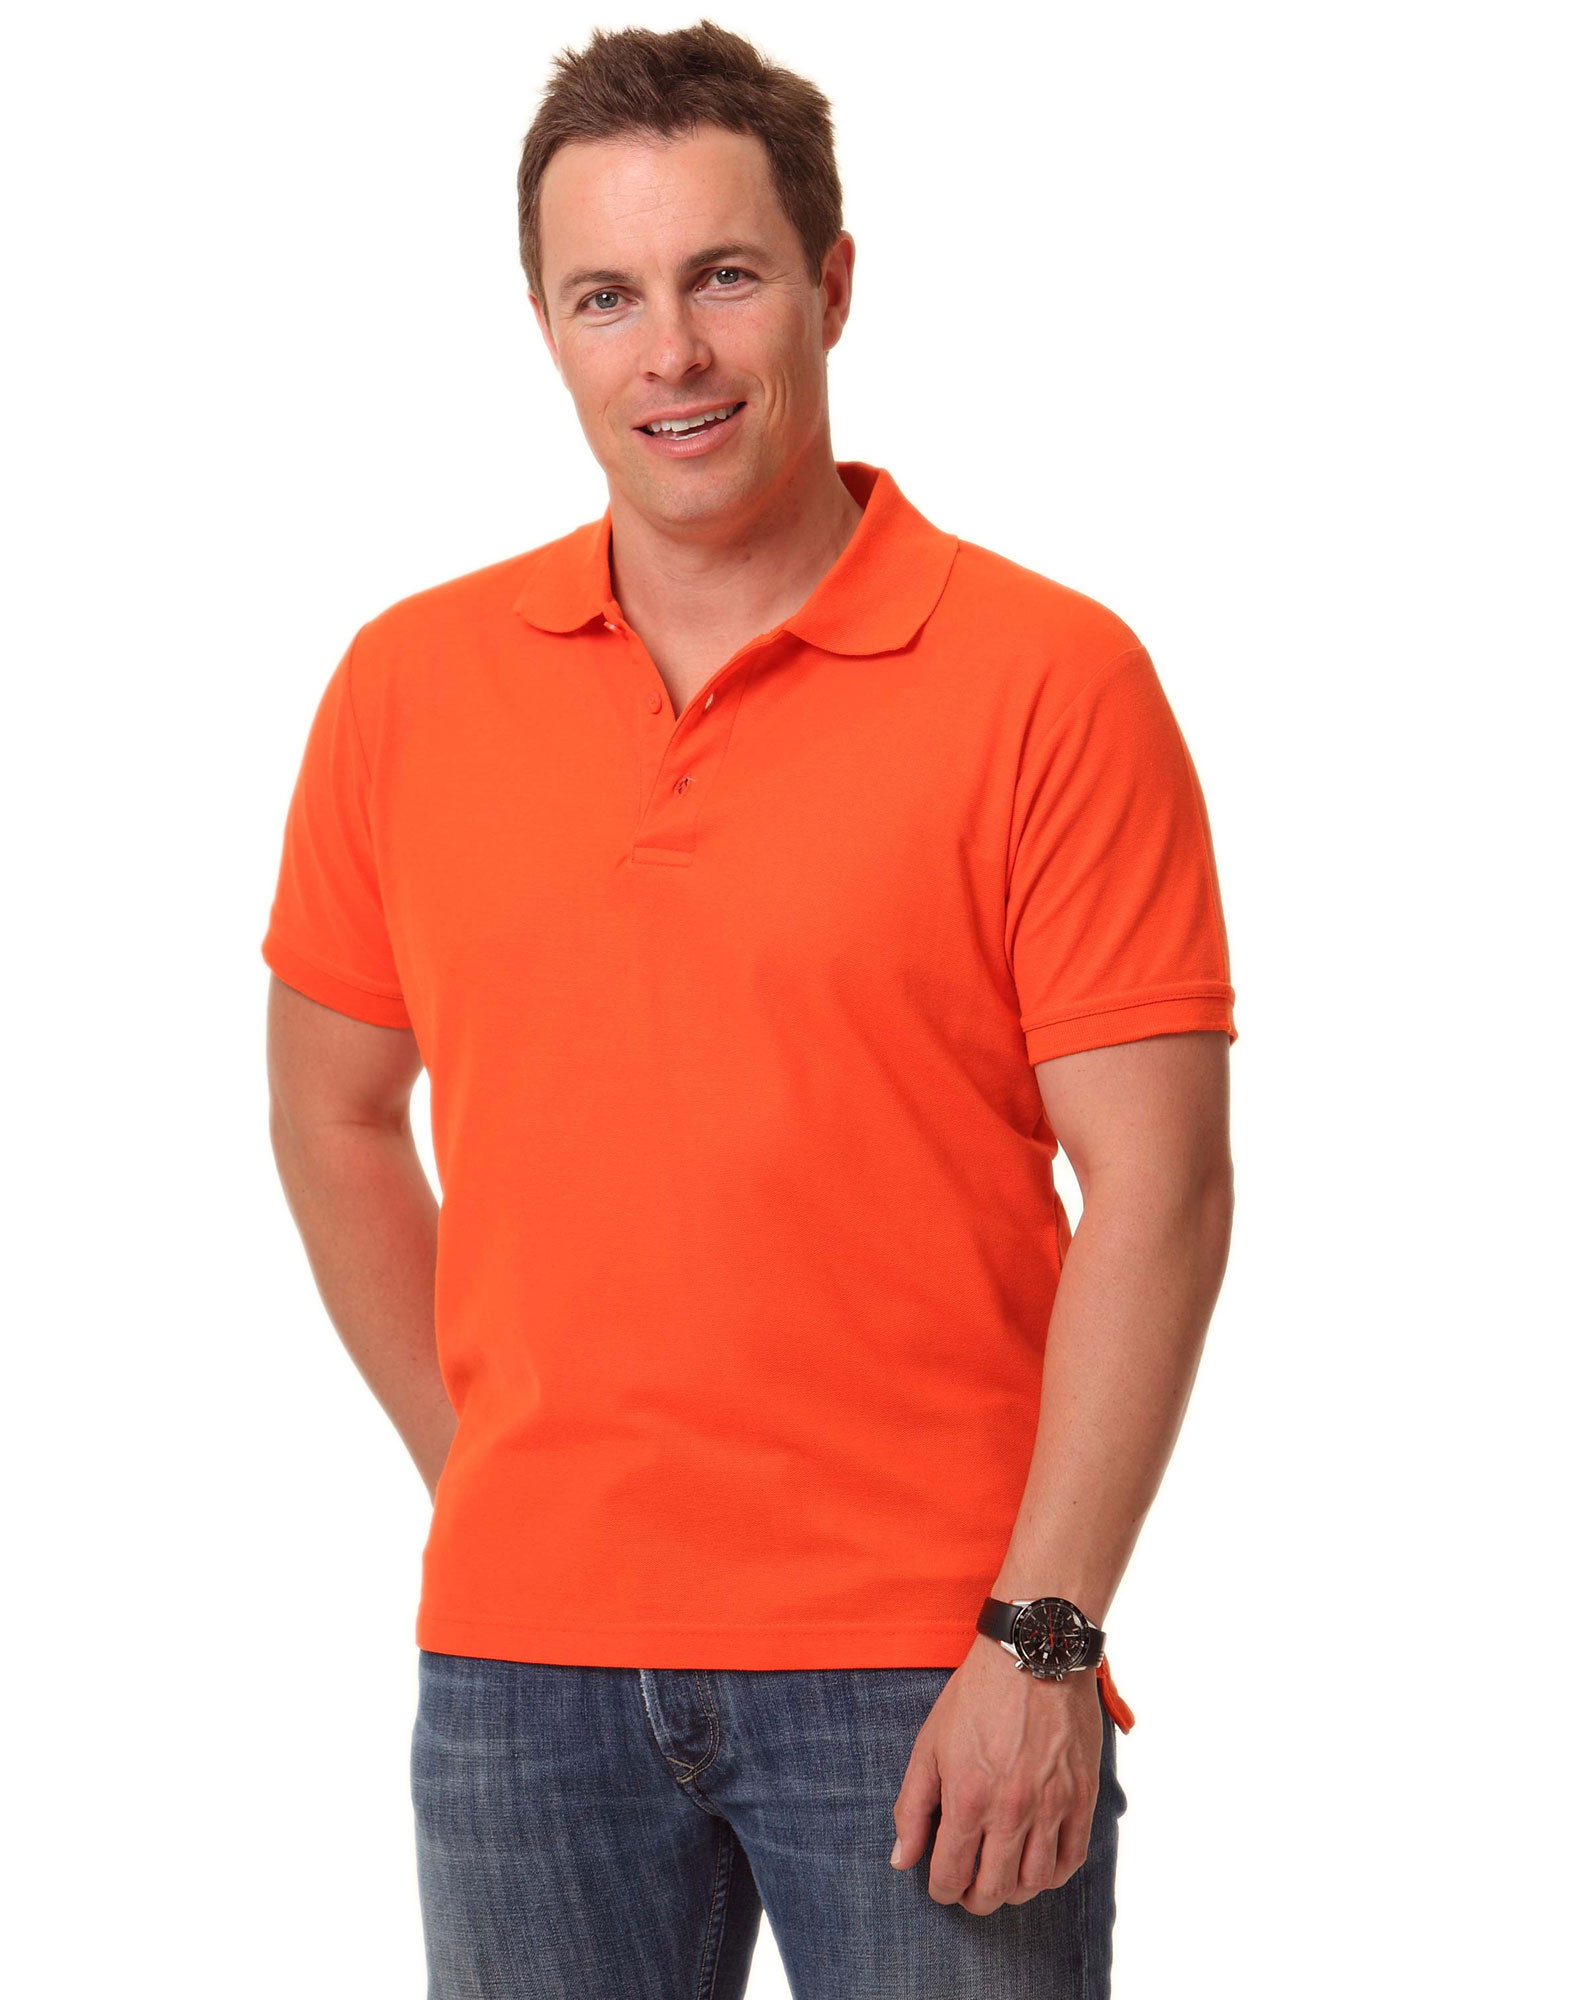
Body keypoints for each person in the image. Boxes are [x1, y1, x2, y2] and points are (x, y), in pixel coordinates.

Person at [261, 20, 1237, 1998]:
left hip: (930, 1660)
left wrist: (1043, 1634)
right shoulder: (407, 686)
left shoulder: (1047, 681)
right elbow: (334, 1108)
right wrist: (492, 1467)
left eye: (723, 275)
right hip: (523, 1679)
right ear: (546, 326)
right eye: (606, 296)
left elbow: (1160, 1184)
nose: (671, 355)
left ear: (831, 282)